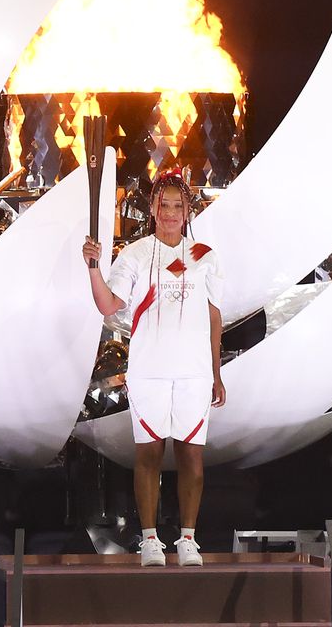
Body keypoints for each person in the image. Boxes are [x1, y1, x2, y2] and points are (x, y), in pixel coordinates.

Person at [82, 170, 225, 568]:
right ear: (152, 208)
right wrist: (93, 268)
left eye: (178, 206)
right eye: (164, 205)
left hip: (194, 372)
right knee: (149, 455)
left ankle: (188, 540)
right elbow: (108, 305)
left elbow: (214, 318)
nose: (171, 213)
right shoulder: (135, 254)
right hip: (149, 371)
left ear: (188, 210)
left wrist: (216, 373)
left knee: (191, 457)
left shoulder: (204, 256)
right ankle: (149, 541)